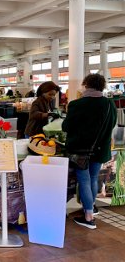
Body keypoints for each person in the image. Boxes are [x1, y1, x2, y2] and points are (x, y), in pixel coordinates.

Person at [62, 74, 117, 229]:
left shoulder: (77, 104)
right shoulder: (109, 104)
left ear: (86, 85)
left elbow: (66, 127)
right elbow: (112, 124)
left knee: (84, 180)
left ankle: (88, 217)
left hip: (81, 150)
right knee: (93, 178)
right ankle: (91, 207)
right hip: (100, 149)